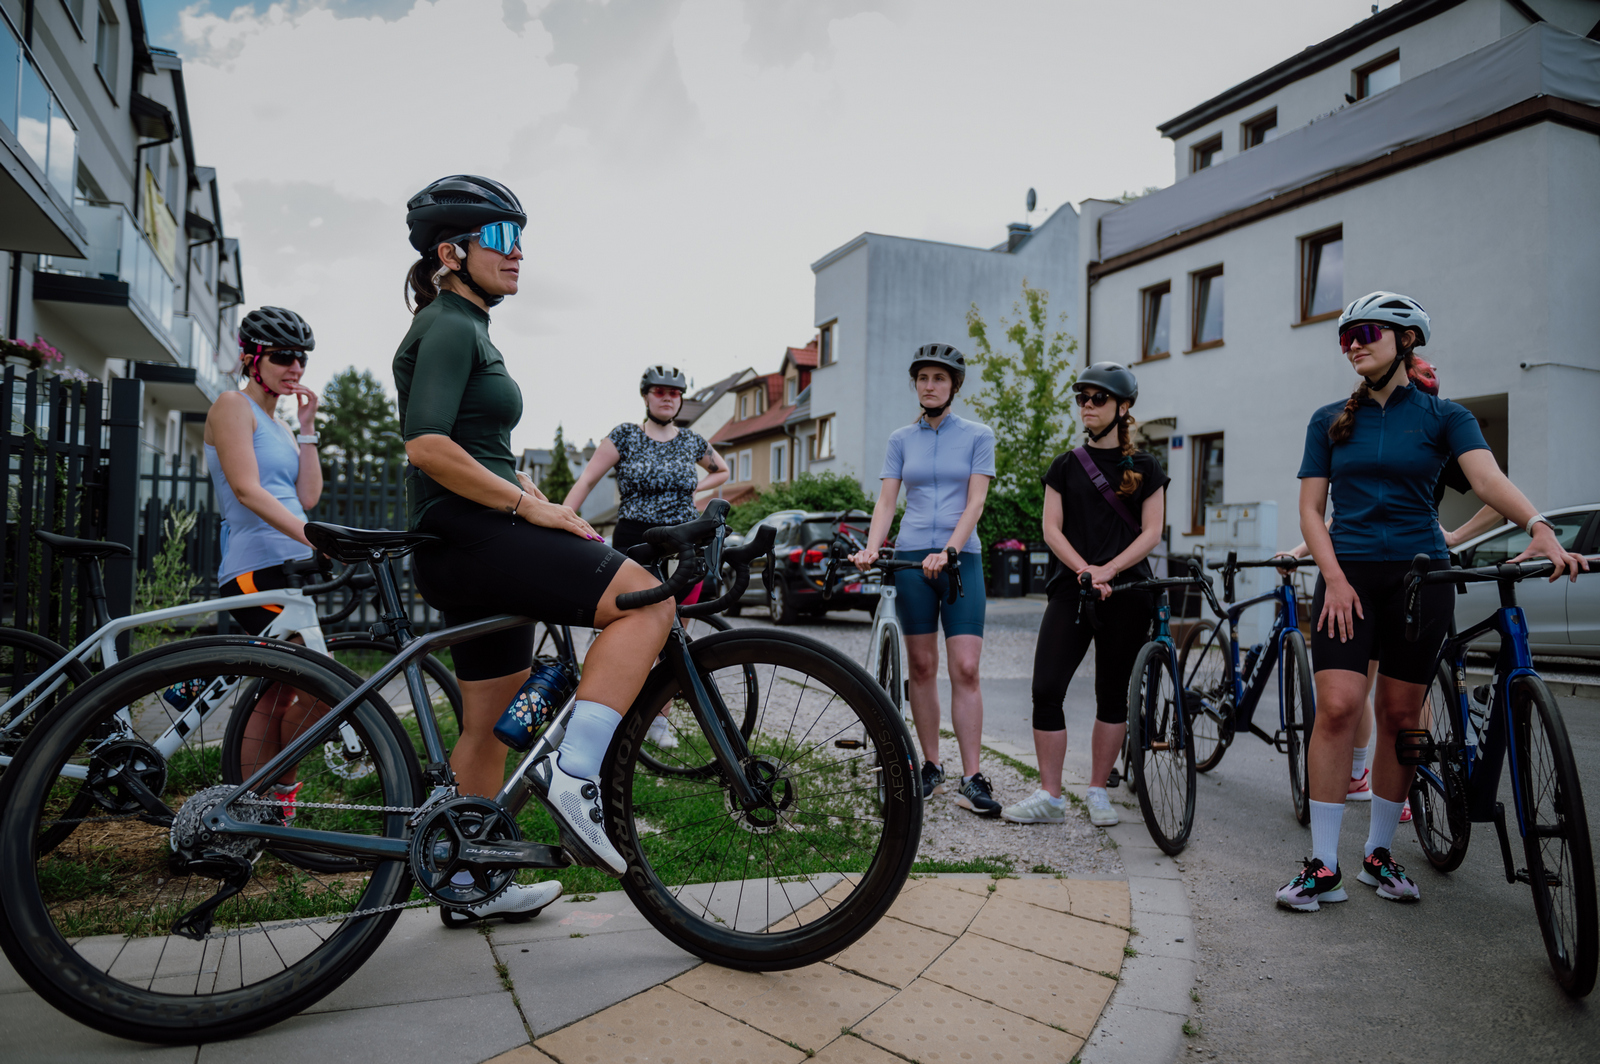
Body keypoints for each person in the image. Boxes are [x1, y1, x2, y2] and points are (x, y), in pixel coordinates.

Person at [394, 175, 676, 920]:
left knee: (486, 723)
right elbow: (426, 445)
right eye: (499, 238)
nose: (516, 253)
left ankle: (466, 881)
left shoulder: (467, 325)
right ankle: (575, 777)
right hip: (472, 536)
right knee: (648, 605)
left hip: (470, 538)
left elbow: (472, 446)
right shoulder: (449, 325)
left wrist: (534, 498)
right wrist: (527, 505)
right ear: (451, 253)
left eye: (520, 239)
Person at [1278, 291, 1587, 912]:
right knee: (1337, 707)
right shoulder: (1327, 421)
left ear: (1407, 339)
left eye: (1366, 331)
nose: (1353, 343)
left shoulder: (1446, 417)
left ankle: (1379, 855)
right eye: (1345, 337)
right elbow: (1312, 511)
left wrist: (1539, 525)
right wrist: (1334, 577)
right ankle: (1322, 865)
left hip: (1422, 580)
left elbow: (1486, 480)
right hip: (1349, 578)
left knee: (1400, 716)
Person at [1003, 362, 1168, 829]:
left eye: (1098, 398)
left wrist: (1109, 569)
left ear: (1123, 407)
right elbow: (1050, 529)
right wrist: (1084, 571)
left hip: (1129, 591)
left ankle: (1098, 791)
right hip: (1072, 592)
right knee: (1046, 689)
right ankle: (1050, 795)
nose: (1087, 406)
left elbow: (1153, 532)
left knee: (1113, 696)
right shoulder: (1065, 465)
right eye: (1082, 398)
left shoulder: (1147, 468)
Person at [851, 345, 998, 815]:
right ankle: (931, 764)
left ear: (954, 385)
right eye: (923, 378)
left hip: (960, 560)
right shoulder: (901, 439)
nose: (930, 385)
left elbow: (975, 503)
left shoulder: (978, 435)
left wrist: (951, 549)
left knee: (966, 668)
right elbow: (887, 503)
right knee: (921, 667)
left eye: (939, 378)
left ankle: (972, 777)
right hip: (913, 558)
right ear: (915, 385)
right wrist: (874, 546)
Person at [565, 365, 729, 749]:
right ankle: (599, 712)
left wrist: (695, 490)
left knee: (675, 632)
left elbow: (722, 471)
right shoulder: (624, 435)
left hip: (684, 542)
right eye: (659, 391)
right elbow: (587, 479)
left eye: (674, 392)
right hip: (635, 539)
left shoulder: (692, 440)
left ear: (681, 399)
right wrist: (562, 517)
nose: (667, 397)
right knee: (618, 628)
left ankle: (659, 720)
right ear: (646, 396)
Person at [203, 306, 324, 818]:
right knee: (320, 684)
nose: (295, 367)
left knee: (280, 688)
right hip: (255, 567)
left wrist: (307, 429)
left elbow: (307, 497)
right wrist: (316, 539)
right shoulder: (233, 405)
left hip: (289, 567)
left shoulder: (275, 423)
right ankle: (263, 800)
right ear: (251, 358)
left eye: (300, 358)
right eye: (282, 357)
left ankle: (264, 804)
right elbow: (250, 492)